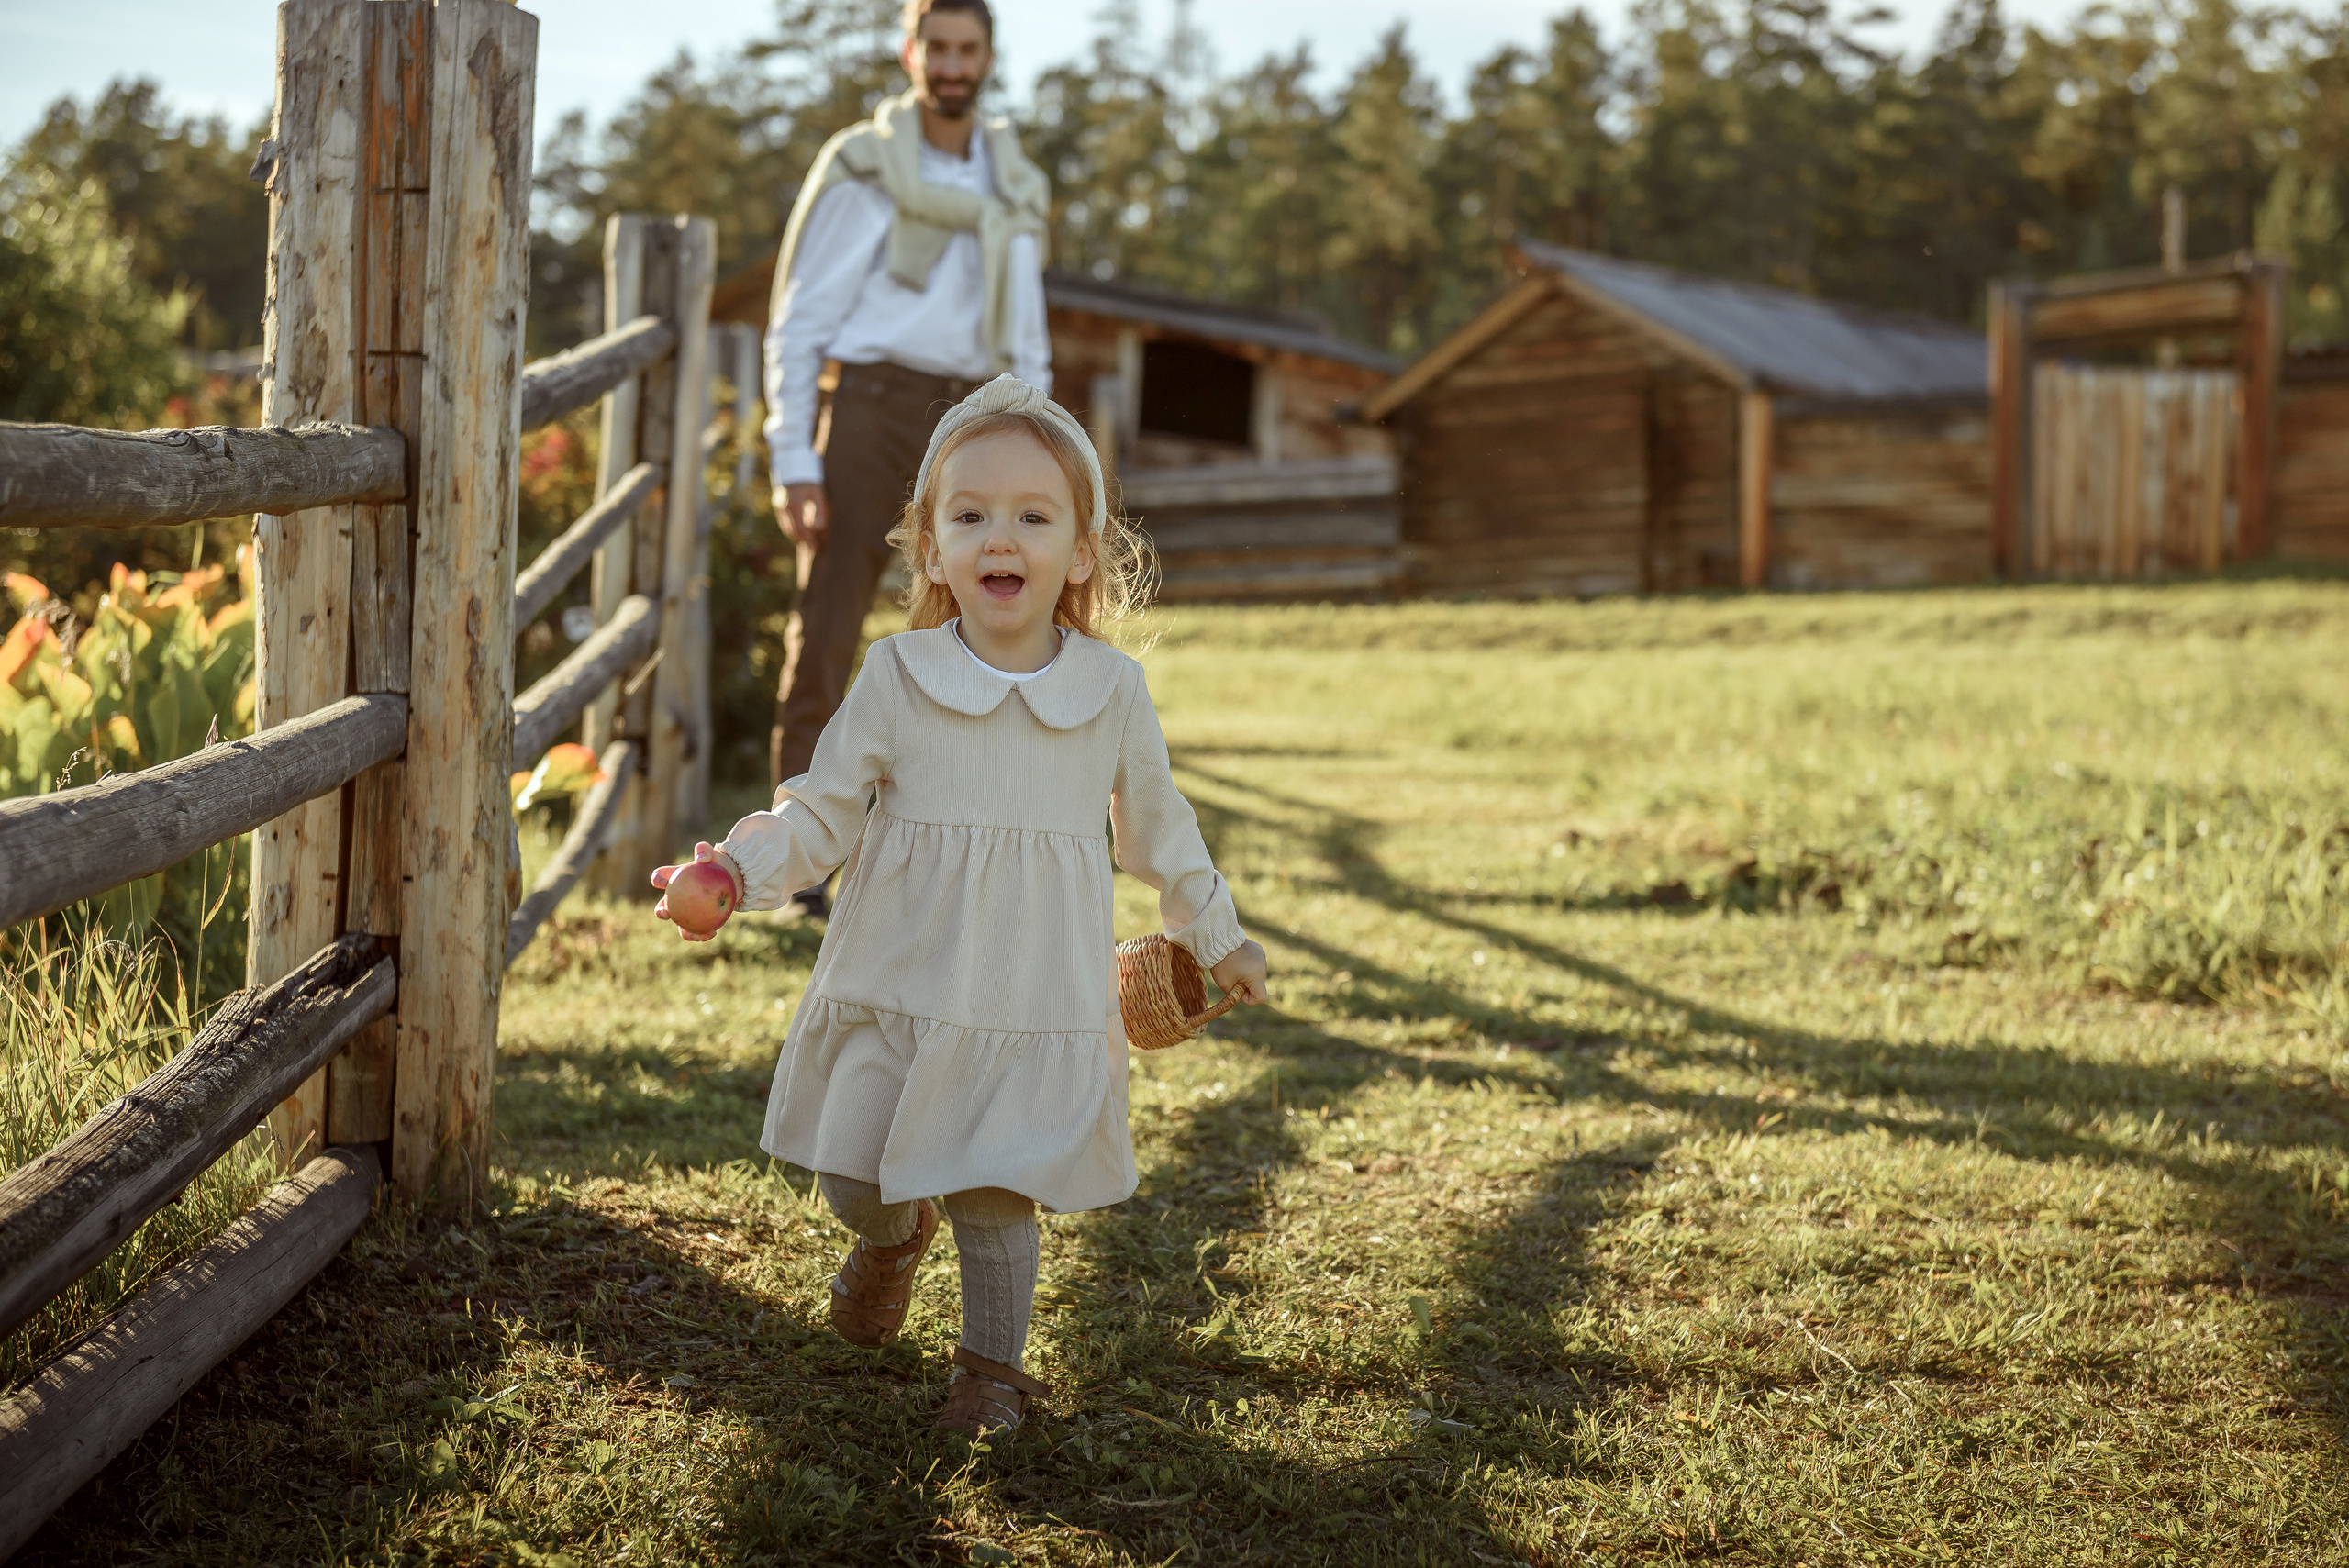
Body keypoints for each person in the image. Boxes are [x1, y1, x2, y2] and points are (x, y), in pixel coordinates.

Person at [651, 377, 1270, 1438]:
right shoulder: (898, 675)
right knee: (855, 1172)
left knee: (997, 1190)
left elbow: (1164, 830)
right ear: (930, 548)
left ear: (1081, 549)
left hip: (1027, 991)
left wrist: (1219, 936)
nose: (1002, 535)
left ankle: (991, 1373)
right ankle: (891, 1237)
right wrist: (737, 875)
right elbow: (821, 807)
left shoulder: (1110, 692)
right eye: (970, 512)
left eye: (1035, 514)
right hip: (899, 974)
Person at [762, 0, 1052, 917]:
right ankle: (795, 863)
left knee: (979, 626)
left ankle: (943, 862)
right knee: (832, 615)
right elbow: (800, 319)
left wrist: (1038, 438)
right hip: (871, 405)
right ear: (910, 53)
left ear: (989, 58)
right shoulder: (864, 168)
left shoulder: (1013, 186)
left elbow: (1029, 329)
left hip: (971, 417)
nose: (954, 64)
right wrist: (791, 459)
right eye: (939, 47)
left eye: (970, 49)